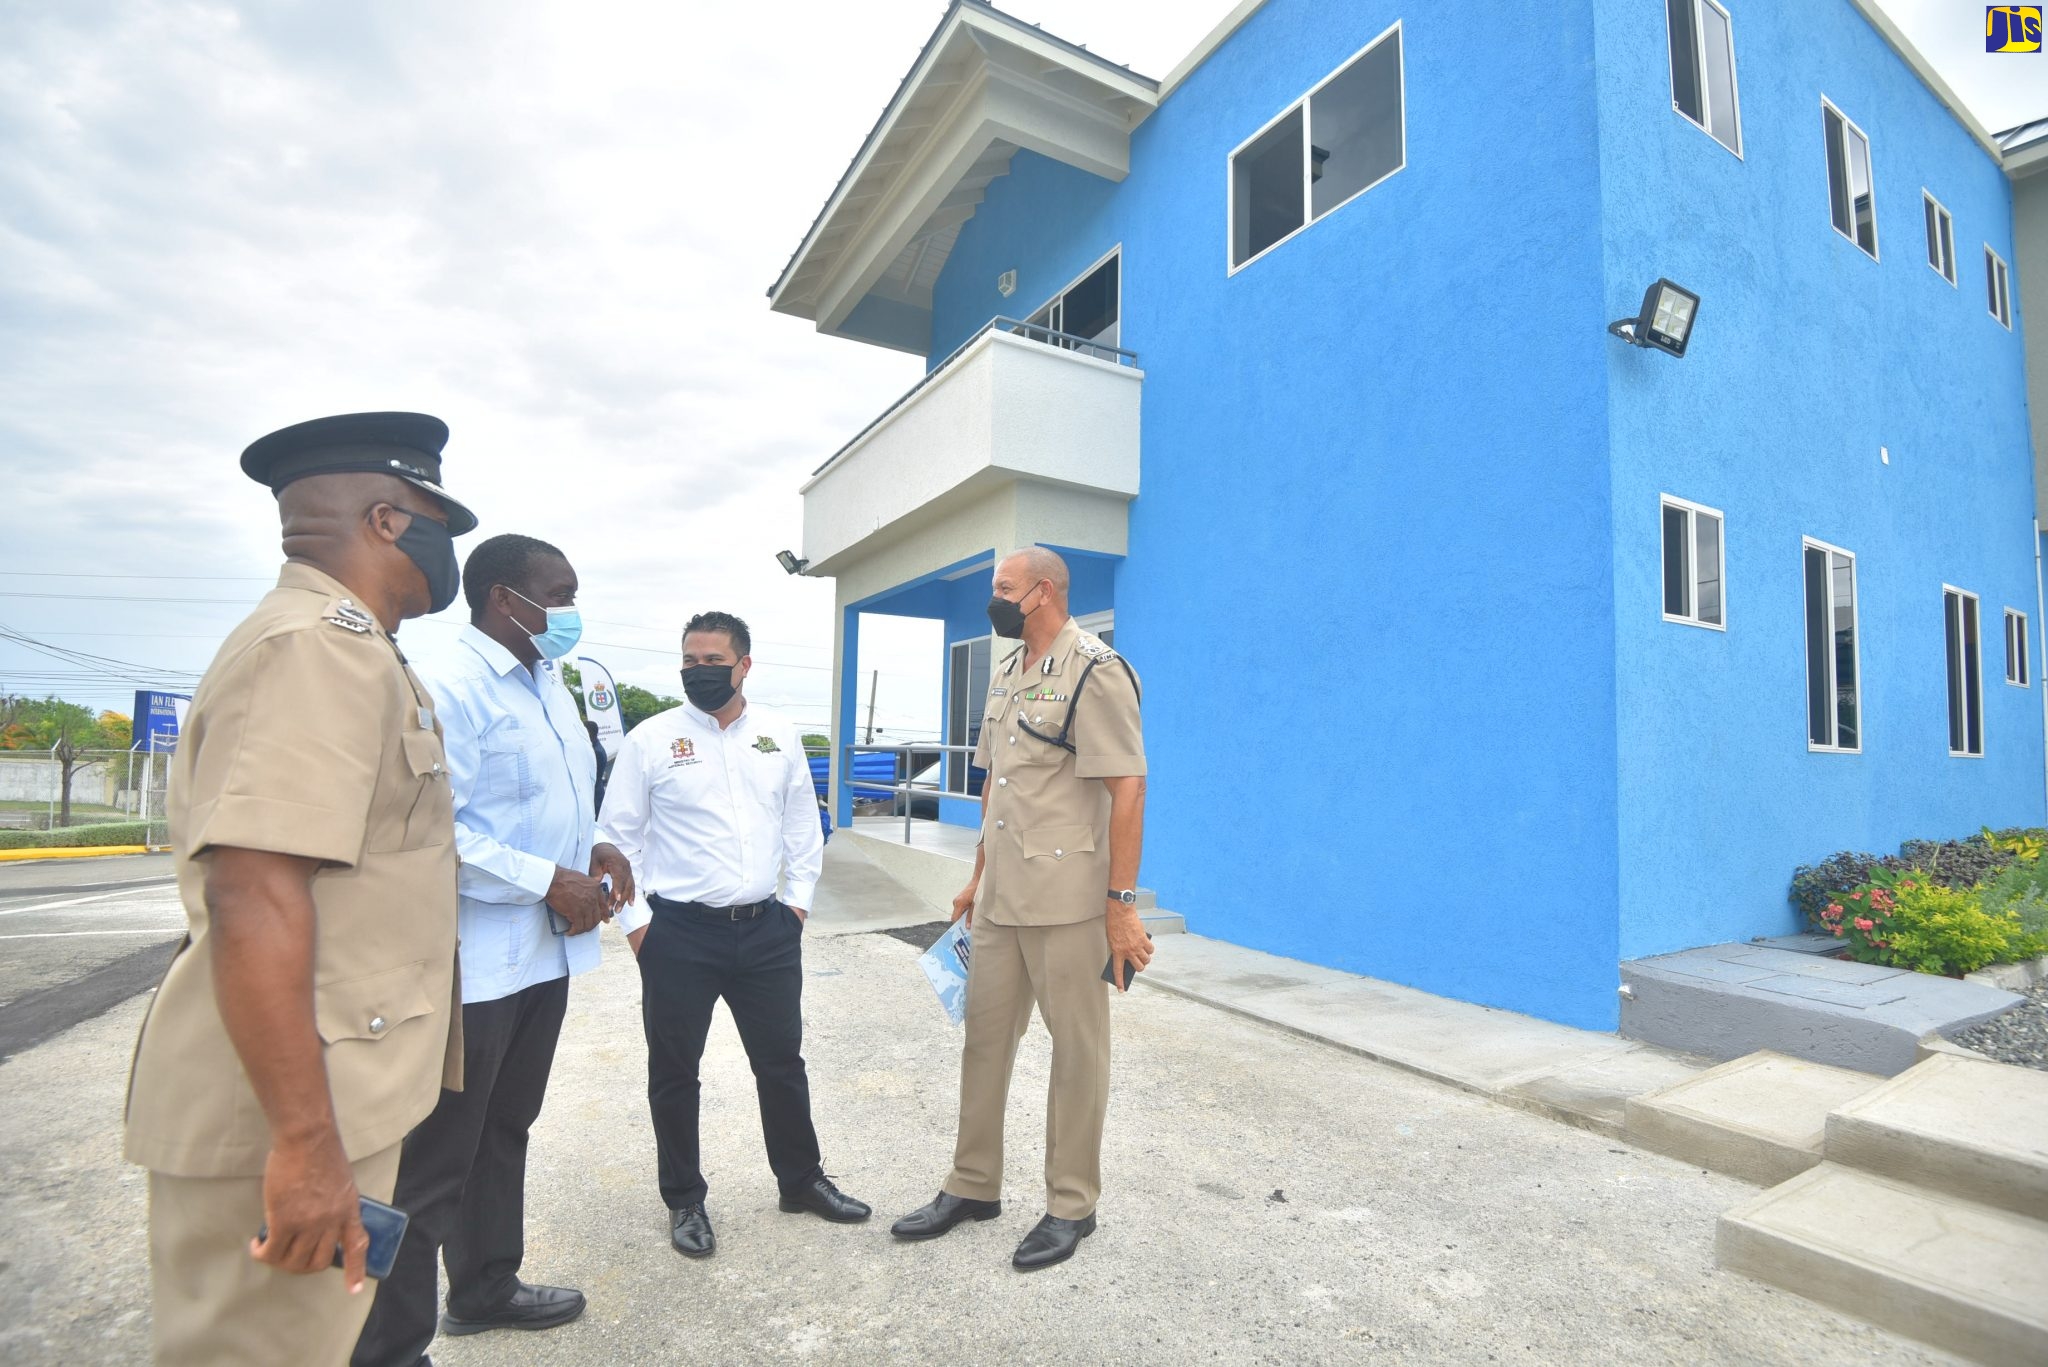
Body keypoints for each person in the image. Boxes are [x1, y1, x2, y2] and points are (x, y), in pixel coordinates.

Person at [122, 412, 477, 1367]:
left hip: (335, 1086)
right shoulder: (312, 648)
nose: (454, 546)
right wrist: (306, 1145)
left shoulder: (356, 648)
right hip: (288, 1106)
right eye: (443, 517)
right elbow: (255, 894)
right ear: (389, 520)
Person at [351, 534, 635, 1366]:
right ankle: (387, 1345)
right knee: (432, 1162)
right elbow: (439, 830)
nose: (572, 610)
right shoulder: (454, 687)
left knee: (506, 1127)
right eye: (561, 592)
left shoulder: (552, 682)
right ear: (506, 599)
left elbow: (556, 797)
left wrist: (595, 850)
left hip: (545, 958)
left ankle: (483, 1286)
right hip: (471, 967)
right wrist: (547, 878)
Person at [890, 547, 1149, 1271]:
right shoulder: (1007, 674)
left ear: (1041, 592)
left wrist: (1121, 909)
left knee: (1077, 1054)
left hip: (1069, 902)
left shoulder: (1097, 670)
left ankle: (1072, 1203)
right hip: (1001, 899)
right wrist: (975, 879)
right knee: (984, 1041)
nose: (993, 600)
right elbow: (995, 791)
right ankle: (973, 1185)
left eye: (1002, 588)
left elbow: (1128, 788)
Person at [599, 610, 870, 1258]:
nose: (698, 671)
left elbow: (805, 828)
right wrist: (641, 930)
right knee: (674, 1070)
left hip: (766, 931)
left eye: (712, 661)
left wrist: (796, 908)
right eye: (689, 661)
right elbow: (613, 839)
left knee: (781, 1062)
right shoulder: (652, 739)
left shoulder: (778, 734)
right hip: (679, 934)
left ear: (744, 664)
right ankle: (685, 1198)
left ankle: (800, 1179)